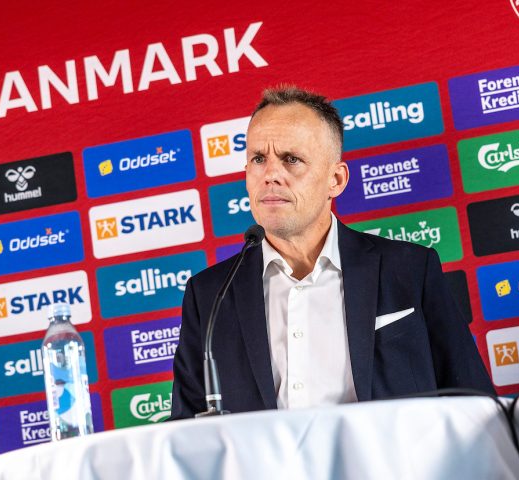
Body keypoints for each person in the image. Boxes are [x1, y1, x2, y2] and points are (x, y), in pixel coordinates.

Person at [170, 86, 494, 419]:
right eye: (258, 159)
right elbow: (185, 429)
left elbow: (474, 405)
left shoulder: (410, 270)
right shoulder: (209, 296)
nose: (270, 175)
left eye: (291, 159)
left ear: (335, 180)